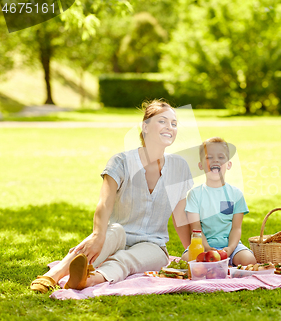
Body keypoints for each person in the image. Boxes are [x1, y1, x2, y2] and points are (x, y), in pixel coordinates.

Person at [30, 100, 193, 293]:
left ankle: (87, 280)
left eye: (174, 124)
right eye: (163, 121)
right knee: (113, 231)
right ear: (145, 126)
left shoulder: (179, 167)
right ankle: (53, 275)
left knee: (129, 260)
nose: (170, 127)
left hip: (153, 244)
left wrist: (191, 249)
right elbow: (104, 204)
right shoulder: (121, 161)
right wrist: (98, 235)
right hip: (118, 235)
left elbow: (180, 216)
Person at [181, 137, 256, 266]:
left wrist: (231, 249)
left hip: (230, 246)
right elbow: (196, 229)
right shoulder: (194, 194)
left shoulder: (236, 194)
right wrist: (207, 249)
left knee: (248, 260)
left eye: (221, 157)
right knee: (187, 260)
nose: (215, 160)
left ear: (229, 164)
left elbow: (236, 228)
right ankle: (214, 263)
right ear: (200, 165)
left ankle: (224, 261)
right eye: (209, 157)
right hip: (202, 245)